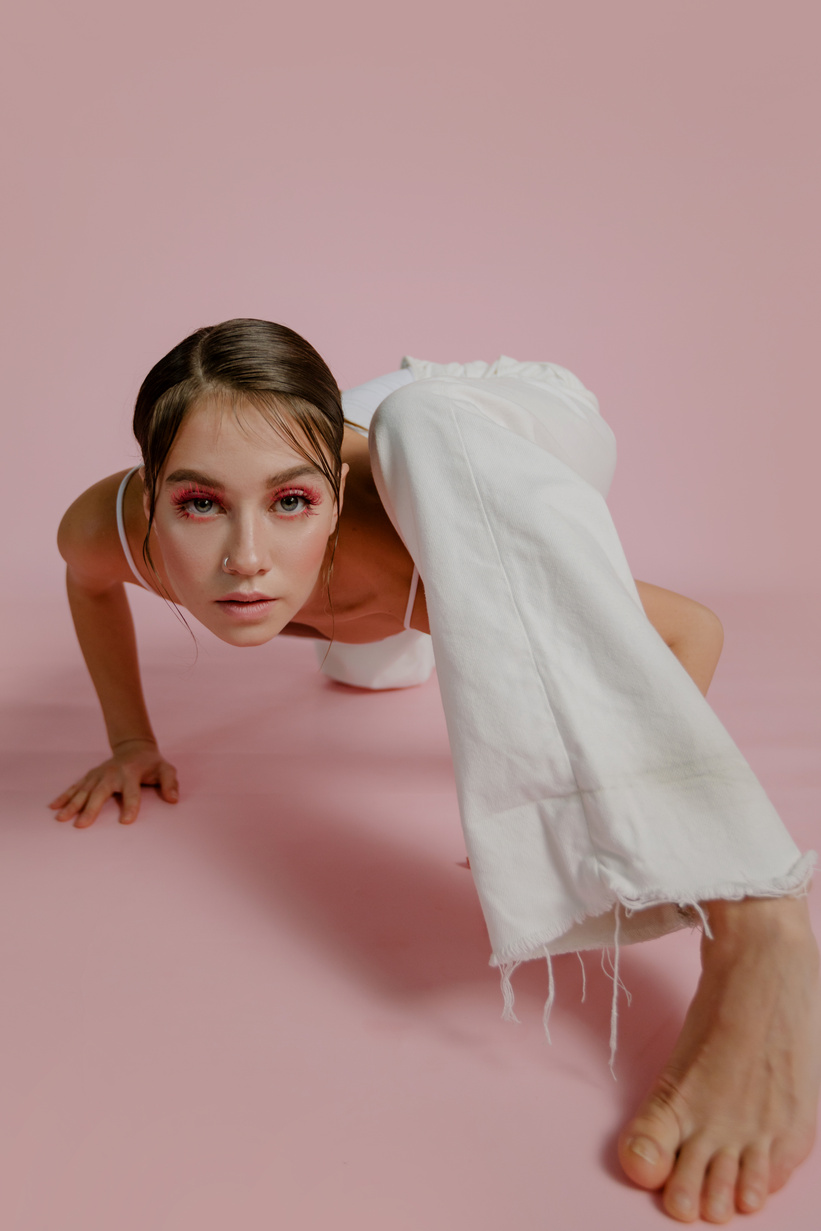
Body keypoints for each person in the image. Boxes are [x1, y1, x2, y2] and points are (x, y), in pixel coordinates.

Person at [50, 318, 820, 1223]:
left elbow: (693, 628)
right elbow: (86, 582)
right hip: (359, 467)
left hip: (502, 423)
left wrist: (580, 797)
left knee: (425, 428)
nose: (245, 559)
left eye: (291, 502)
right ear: (150, 495)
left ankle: (763, 927)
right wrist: (131, 740)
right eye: (200, 505)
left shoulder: (427, 550)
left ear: (334, 495)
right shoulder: (119, 533)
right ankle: (357, 535)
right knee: (366, 664)